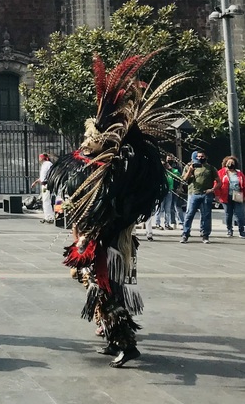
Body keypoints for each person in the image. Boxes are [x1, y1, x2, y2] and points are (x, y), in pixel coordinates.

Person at [48, 53, 186, 368]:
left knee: (109, 290)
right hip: (108, 239)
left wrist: (89, 237)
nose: (87, 142)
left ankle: (127, 344)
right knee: (104, 288)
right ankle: (114, 340)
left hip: (109, 241)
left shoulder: (115, 172)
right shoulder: (106, 168)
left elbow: (107, 209)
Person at [180, 150, 220, 244]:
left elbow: (219, 182)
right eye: (198, 156)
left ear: (206, 157)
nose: (200, 158)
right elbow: (184, 179)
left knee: (206, 215)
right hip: (194, 193)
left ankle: (205, 235)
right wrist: (190, 170)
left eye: (202, 156)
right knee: (189, 214)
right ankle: (185, 234)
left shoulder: (210, 168)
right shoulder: (190, 166)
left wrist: (212, 189)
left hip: (206, 194)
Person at [215, 155, 245, 238]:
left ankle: (241, 231)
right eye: (229, 162)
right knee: (228, 214)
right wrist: (217, 195)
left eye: (232, 162)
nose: (230, 164)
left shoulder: (239, 173)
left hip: (238, 195)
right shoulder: (221, 172)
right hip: (225, 196)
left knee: (240, 214)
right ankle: (229, 230)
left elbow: (244, 184)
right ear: (225, 163)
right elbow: (217, 183)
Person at [155, 155, 184, 229]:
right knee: (159, 209)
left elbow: (178, 176)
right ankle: (157, 223)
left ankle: (167, 223)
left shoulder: (169, 171)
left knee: (167, 209)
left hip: (169, 191)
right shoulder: (158, 172)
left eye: (164, 164)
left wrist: (170, 168)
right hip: (160, 191)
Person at [31, 153, 55, 223]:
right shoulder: (44, 165)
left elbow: (49, 175)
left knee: (46, 200)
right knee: (45, 200)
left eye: (40, 157)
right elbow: (43, 177)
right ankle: (47, 216)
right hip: (44, 184)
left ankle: (49, 216)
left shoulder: (48, 164)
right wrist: (36, 182)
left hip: (46, 184)